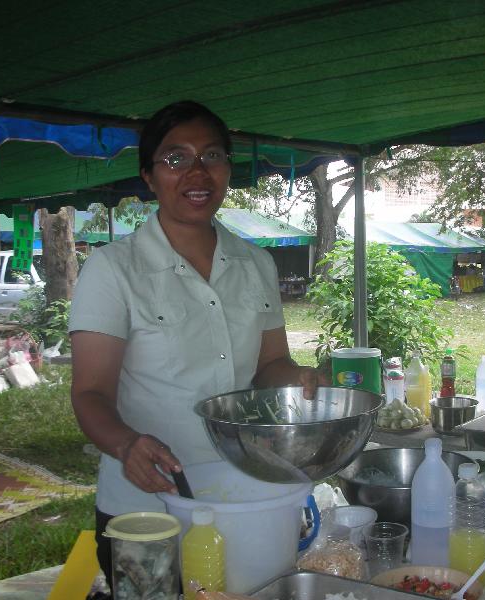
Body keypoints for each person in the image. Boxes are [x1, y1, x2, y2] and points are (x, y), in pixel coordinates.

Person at [68, 101, 328, 587]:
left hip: (242, 496)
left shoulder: (256, 263)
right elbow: (90, 393)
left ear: (228, 168)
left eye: (211, 156)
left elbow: (270, 364)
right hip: (148, 509)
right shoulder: (114, 269)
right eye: (175, 158)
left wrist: (298, 378)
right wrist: (126, 445)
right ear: (148, 177)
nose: (197, 172)